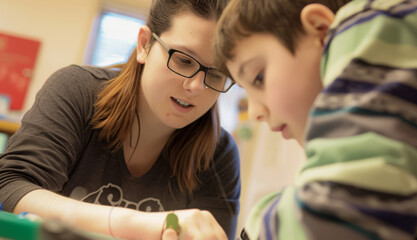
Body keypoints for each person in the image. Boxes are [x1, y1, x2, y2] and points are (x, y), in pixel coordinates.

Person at [0, 0, 241, 239]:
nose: (196, 86)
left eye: (217, 74)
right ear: (144, 45)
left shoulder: (219, 154)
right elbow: (10, 187)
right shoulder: (76, 91)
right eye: (184, 60)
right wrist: (137, 224)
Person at [214, 0, 417, 239]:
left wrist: (254, 232)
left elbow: (344, 206)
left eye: (259, 77)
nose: (255, 112)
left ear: (320, 29)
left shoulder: (376, 23)